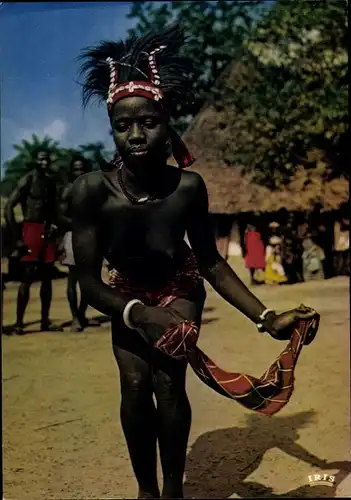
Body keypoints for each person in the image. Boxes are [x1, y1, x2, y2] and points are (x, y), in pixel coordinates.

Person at [72, 24, 319, 499]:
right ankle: (147, 491)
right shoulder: (89, 192)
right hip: (124, 294)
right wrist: (135, 312)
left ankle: (172, 492)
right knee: (133, 382)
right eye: (122, 126)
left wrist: (267, 319)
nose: (136, 134)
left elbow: (210, 263)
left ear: (167, 124)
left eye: (148, 122)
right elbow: (87, 280)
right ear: (111, 130)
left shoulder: (188, 188)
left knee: (167, 381)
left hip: (179, 286)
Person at [4, 149, 63, 335]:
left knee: (47, 278)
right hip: (31, 230)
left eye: (47, 159)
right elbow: (8, 207)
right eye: (41, 159)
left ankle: (45, 321)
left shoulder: (51, 182)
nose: (44, 162)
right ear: (35, 161)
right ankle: (19, 323)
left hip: (47, 231)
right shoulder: (28, 179)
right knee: (27, 278)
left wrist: (56, 229)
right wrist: (18, 237)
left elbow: (55, 209)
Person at [58, 156, 101, 332]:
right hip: (73, 235)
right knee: (73, 278)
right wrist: (78, 224)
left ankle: (82, 315)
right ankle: (75, 317)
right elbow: (60, 215)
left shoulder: (92, 190)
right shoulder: (68, 190)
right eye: (76, 169)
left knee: (88, 278)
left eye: (82, 168)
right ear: (71, 171)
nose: (79, 172)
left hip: (91, 237)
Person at [243, 218, 265, 285]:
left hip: (255, 250)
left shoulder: (252, 233)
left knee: (254, 265)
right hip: (253, 250)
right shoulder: (248, 234)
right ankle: (253, 279)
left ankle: (254, 279)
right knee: (253, 265)